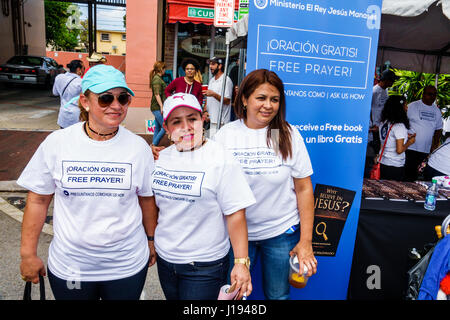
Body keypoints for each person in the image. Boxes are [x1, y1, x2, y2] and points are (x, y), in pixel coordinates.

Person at [18, 65, 158, 300]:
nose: (116, 106)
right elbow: (38, 200)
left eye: (123, 98)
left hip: (126, 265)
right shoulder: (57, 144)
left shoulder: (138, 148)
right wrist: (27, 254)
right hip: (72, 266)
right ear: (85, 101)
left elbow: (146, 198)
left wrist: (151, 240)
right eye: (105, 98)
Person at [214, 69, 317, 300]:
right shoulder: (226, 136)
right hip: (237, 237)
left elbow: (303, 188)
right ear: (244, 98)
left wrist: (306, 241)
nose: (268, 105)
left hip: (281, 233)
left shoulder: (287, 135)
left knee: (278, 296)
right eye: (261, 98)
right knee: (235, 297)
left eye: (275, 99)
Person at [153, 93, 255, 300]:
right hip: (166, 261)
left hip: (204, 267)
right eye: (176, 121)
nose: (186, 127)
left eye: (192, 119)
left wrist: (241, 263)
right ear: (166, 127)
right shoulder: (160, 158)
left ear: (203, 119)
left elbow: (236, 214)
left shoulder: (221, 158)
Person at [405, 85, 443, 181]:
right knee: (408, 175)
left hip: (426, 150)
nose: (432, 97)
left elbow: (438, 129)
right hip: (410, 148)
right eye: (429, 94)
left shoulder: (437, 111)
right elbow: (402, 123)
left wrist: (434, 145)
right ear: (423, 94)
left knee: (420, 177)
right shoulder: (412, 106)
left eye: (434, 94)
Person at [376, 95, 416, 180]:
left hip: (382, 161)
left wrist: (404, 136)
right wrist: (410, 142)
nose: (407, 107)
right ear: (400, 107)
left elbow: (386, 140)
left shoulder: (384, 122)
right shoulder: (399, 126)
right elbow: (399, 150)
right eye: (405, 105)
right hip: (394, 166)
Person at [369, 69, 398, 154]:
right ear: (386, 80)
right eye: (392, 80)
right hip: (374, 128)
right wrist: (371, 126)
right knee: (373, 151)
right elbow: (368, 109)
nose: (393, 82)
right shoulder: (374, 91)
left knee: (378, 150)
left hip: (380, 126)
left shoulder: (385, 90)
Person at [203, 56, 233, 136]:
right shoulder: (212, 80)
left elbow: (227, 101)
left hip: (221, 122)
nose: (210, 66)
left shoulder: (226, 80)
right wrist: (205, 111)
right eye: (210, 64)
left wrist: (213, 94)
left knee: (218, 146)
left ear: (220, 66)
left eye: (213, 64)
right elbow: (207, 98)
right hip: (211, 120)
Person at [52, 59, 84, 128]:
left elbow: (55, 93)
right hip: (76, 117)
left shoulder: (59, 77)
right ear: (79, 69)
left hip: (63, 116)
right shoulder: (81, 82)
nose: (84, 70)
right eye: (83, 68)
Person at [149, 61, 167, 146]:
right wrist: (161, 106)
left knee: (158, 128)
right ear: (161, 69)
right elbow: (157, 94)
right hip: (157, 107)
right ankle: (153, 145)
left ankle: (153, 145)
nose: (165, 70)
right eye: (164, 68)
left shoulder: (158, 78)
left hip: (156, 107)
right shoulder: (157, 79)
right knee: (165, 127)